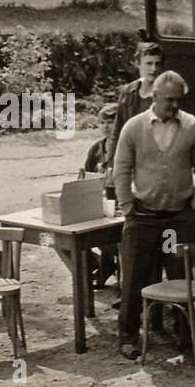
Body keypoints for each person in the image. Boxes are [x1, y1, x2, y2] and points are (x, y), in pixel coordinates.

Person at [113, 70, 195, 360]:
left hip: (177, 220)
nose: (174, 105)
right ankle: (129, 337)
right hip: (142, 217)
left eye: (178, 100)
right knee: (134, 278)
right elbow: (121, 169)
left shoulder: (192, 127)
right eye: (169, 99)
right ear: (153, 97)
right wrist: (127, 206)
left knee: (181, 275)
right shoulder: (133, 128)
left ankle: (185, 336)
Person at [108, 41, 164, 178]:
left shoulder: (165, 94)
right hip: (129, 160)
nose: (153, 69)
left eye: (157, 64)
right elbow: (118, 130)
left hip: (154, 165)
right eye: (149, 63)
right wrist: (111, 165)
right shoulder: (128, 91)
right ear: (138, 64)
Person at [83, 102, 120, 288]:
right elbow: (83, 179)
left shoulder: (125, 146)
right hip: (99, 203)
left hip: (120, 205)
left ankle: (106, 268)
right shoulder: (96, 148)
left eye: (111, 121)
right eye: (103, 122)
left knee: (112, 238)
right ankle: (96, 266)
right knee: (71, 240)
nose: (106, 126)